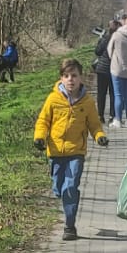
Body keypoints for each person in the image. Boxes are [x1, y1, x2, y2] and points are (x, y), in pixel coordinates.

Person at [33, 57, 108, 241]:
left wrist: (99, 136)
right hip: (55, 151)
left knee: (70, 187)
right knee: (59, 188)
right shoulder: (53, 99)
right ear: (61, 78)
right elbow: (43, 121)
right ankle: (63, 195)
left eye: (74, 76)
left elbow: (94, 125)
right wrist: (39, 137)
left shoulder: (87, 102)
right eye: (66, 76)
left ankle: (69, 226)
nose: (70, 80)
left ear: (80, 78)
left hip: (76, 152)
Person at [92, 18, 119, 123]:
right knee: (113, 94)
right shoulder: (119, 38)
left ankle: (100, 115)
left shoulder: (105, 38)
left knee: (101, 93)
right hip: (114, 69)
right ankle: (112, 115)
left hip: (102, 69)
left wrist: (100, 41)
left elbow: (97, 52)